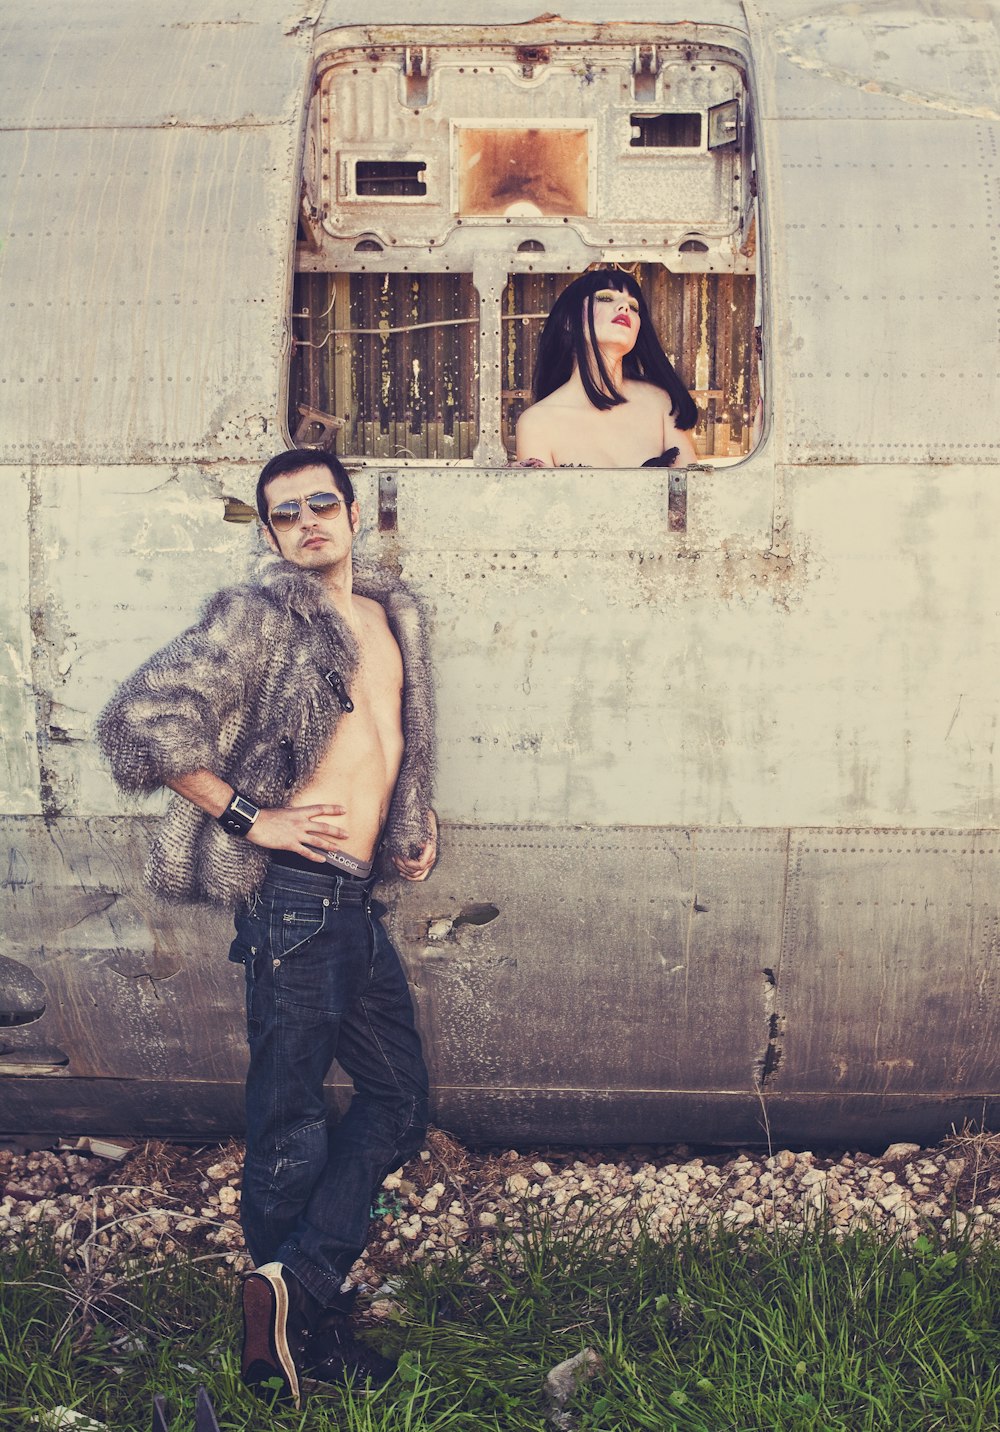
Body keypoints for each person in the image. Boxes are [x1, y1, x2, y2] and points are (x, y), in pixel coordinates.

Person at [96, 447, 437, 1409]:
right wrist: (251, 817)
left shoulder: (386, 615)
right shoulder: (257, 618)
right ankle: (295, 1340)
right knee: (287, 1119)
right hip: (291, 896)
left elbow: (390, 741)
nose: (309, 524)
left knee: (399, 1099)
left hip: (353, 899)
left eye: (322, 504)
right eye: (287, 515)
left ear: (355, 510)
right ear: (272, 533)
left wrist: (410, 818)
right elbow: (143, 722)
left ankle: (291, 1287)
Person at [514, 267, 698, 469]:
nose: (624, 308)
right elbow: (543, 500)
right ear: (568, 320)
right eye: (605, 298)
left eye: (634, 306)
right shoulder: (537, 423)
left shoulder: (660, 401)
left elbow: (692, 493)